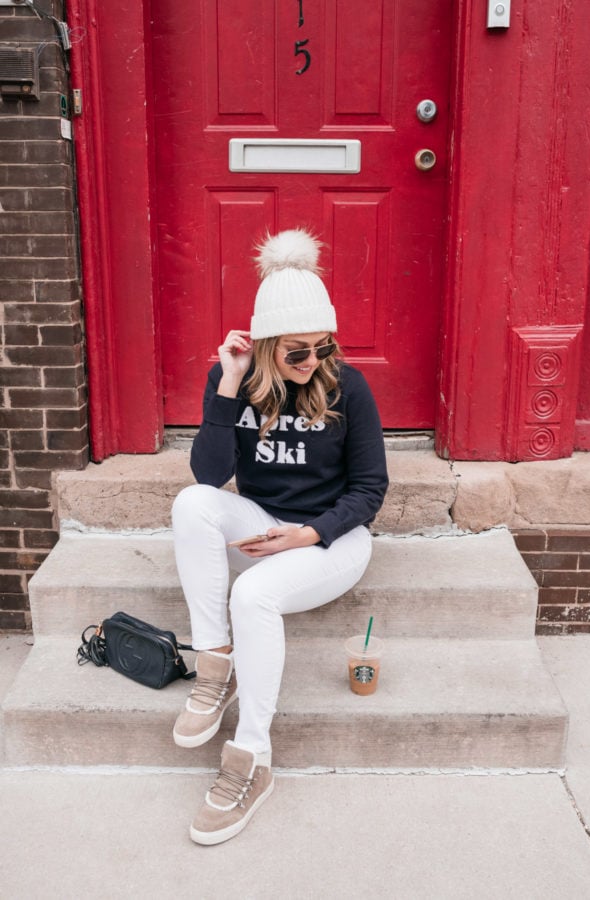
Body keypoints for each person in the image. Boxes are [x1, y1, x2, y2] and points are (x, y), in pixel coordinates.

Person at [171, 228, 389, 845]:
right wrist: (227, 383)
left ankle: (252, 760)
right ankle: (216, 666)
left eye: (323, 347)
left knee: (254, 597)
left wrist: (306, 536)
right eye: (297, 352)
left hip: (334, 540)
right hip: (266, 521)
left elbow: (370, 492)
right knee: (192, 504)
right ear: (265, 346)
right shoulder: (234, 378)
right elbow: (210, 476)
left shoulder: (349, 388)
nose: (313, 363)